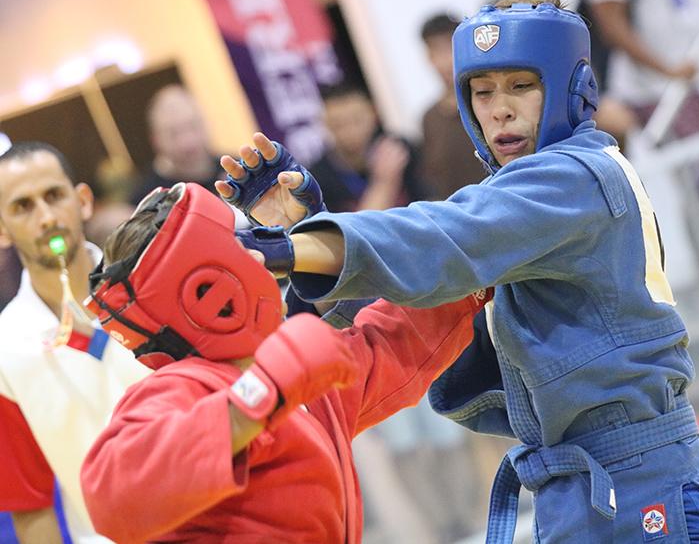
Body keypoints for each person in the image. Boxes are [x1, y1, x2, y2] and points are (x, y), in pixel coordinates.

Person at [217, 0, 699, 543]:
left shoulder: (577, 175)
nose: (499, 109)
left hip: (647, 489)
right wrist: (307, 235)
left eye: (521, 85)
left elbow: (445, 235)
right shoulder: (519, 217)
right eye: (482, 92)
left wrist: (295, 248)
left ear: (572, 88)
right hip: (579, 496)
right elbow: (431, 320)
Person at [79, 181, 490, 543]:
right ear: (206, 291)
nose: (260, 259)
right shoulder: (180, 388)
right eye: (238, 247)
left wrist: (487, 258)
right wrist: (257, 397)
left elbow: (393, 340)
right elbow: (112, 496)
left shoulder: (290, 373)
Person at [0, 142, 150, 543]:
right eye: (23, 206)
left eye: (54, 196)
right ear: (2, 230)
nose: (47, 217)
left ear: (83, 201)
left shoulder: (153, 285)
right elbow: (30, 505)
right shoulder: (4, 350)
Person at [308, 82, 428, 212]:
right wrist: (383, 183)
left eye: (357, 120)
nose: (350, 131)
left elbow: (431, 202)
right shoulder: (318, 179)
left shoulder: (401, 150)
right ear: (325, 125)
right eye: (338, 124)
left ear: (374, 114)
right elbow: (351, 225)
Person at [419, 13, 486, 199]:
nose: (447, 60)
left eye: (451, 47)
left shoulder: (488, 101)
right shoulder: (430, 119)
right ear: (429, 57)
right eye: (436, 50)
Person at [131, 84, 223, 204]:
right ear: (155, 141)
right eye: (173, 134)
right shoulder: (148, 202)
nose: (187, 142)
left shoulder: (236, 172)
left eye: (192, 126)